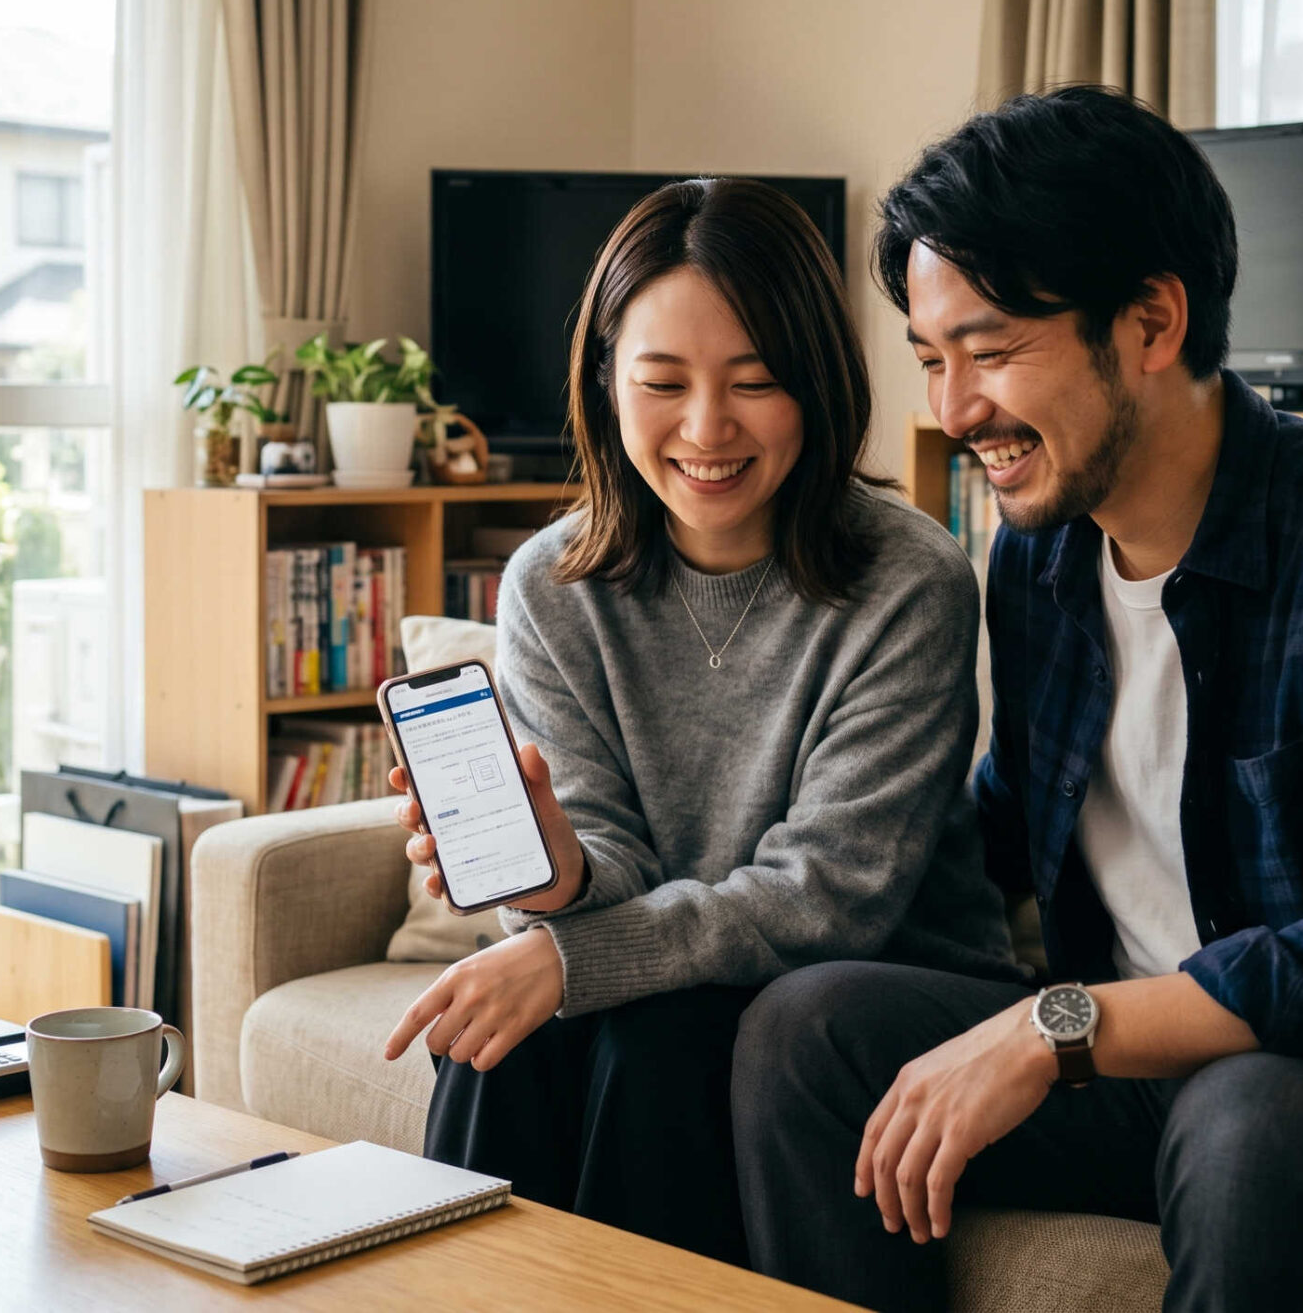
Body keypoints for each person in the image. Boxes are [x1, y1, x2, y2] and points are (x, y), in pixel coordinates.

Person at [731, 87, 1303, 1313]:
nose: (953, 413)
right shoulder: (1040, 558)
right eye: (932, 359)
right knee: (807, 1029)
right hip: (1146, 1076)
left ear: (1151, 321)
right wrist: (743, 869)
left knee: (1253, 1113)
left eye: (992, 351)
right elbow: (1005, 819)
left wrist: (1052, 1028)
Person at [378, 177, 1020, 1265]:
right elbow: (610, 869)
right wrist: (553, 874)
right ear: (606, 384)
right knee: (505, 1044)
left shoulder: (908, 578)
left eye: (755, 382)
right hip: (676, 979)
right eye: (661, 383)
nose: (706, 428)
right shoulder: (550, 585)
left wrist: (574, 958)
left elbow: (830, 894)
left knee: (648, 1035)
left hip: (863, 994)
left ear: (814, 383)